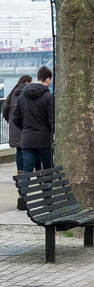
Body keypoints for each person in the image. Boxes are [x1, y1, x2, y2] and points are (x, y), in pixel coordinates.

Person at [12, 66, 54, 171]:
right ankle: (46, 188)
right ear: (48, 79)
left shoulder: (23, 95)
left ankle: (25, 188)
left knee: (27, 170)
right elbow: (52, 119)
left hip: (27, 139)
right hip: (44, 140)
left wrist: (25, 128)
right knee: (47, 170)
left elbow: (15, 117)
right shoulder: (48, 97)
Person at [3, 74, 32, 208]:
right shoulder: (25, 93)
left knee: (19, 153)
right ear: (26, 82)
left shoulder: (12, 93)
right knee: (26, 154)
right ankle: (24, 183)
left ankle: (20, 174)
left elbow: (5, 109)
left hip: (14, 130)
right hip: (23, 129)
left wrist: (10, 122)